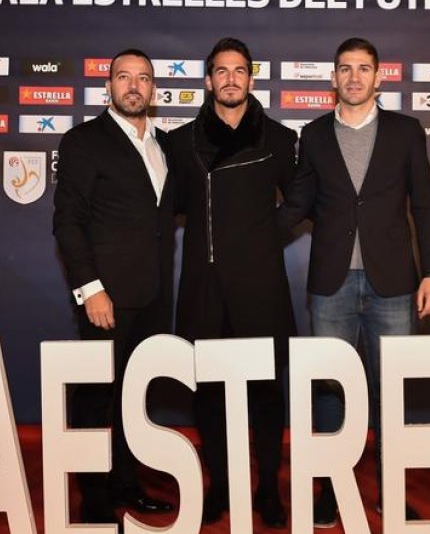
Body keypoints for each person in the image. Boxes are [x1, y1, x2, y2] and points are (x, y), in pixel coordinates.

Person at [279, 36, 430, 526]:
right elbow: (297, 204)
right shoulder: (311, 135)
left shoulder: (407, 131)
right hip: (331, 284)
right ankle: (330, 493)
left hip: (393, 284)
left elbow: (426, 207)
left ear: (379, 77)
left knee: (391, 393)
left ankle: (391, 493)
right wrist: (246, 234)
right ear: (333, 78)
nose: (354, 77)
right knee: (330, 392)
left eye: (363, 68)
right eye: (345, 68)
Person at [168, 37, 297, 529]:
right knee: (209, 396)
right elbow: (165, 210)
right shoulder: (180, 142)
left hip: (260, 288)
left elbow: (302, 199)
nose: (229, 79)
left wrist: (267, 237)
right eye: (220, 71)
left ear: (250, 78)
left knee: (266, 393)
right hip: (204, 287)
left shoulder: (280, 140)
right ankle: (220, 486)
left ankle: (268, 487)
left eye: (238, 70)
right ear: (208, 81)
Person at [52, 48, 176, 525]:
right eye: (124, 77)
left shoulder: (163, 145)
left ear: (153, 89)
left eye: (143, 78)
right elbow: (68, 222)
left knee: (135, 395)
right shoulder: (85, 141)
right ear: (109, 86)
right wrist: (90, 287)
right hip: (106, 298)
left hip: (153, 296)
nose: (133, 86)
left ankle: (127, 483)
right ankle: (94, 498)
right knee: (95, 395)